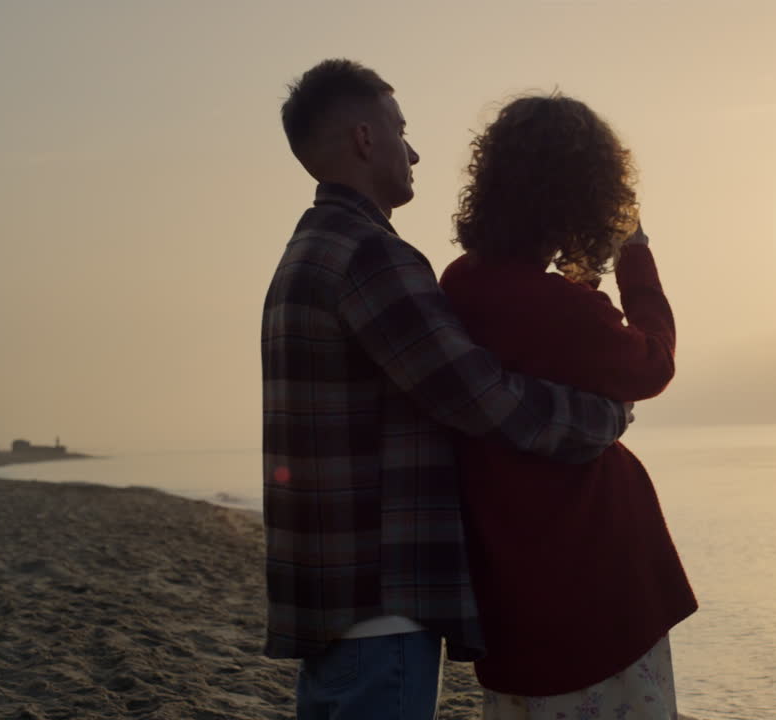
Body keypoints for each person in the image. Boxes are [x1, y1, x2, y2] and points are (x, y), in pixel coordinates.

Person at [262, 60, 631, 720]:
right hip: (382, 600)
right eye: (401, 131)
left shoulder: (307, 251)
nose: (414, 153)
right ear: (365, 138)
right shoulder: (369, 256)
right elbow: (482, 399)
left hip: (331, 596)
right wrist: (602, 416)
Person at [439, 94, 697, 720]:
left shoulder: (461, 282)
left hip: (514, 584)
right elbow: (653, 363)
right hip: (591, 584)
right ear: (584, 197)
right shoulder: (561, 310)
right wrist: (632, 251)